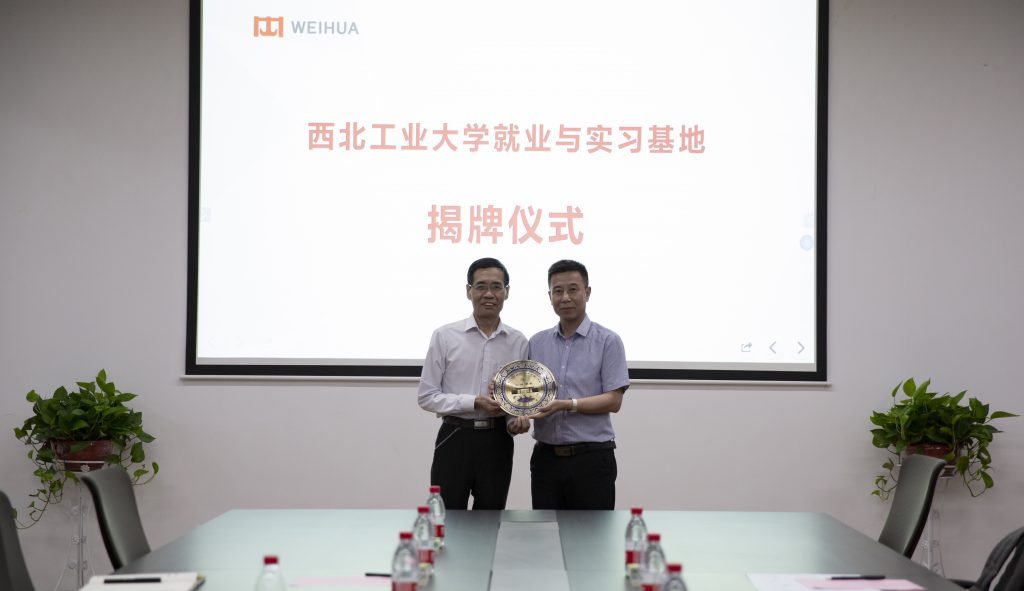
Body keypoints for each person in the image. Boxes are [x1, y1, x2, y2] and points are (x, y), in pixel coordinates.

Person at [417, 257, 529, 510]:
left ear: (507, 292)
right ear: (469, 291)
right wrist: (474, 402)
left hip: (498, 440)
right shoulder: (445, 336)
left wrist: (515, 421)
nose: (489, 294)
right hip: (455, 436)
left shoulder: (519, 342)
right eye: (481, 286)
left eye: (496, 287)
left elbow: (516, 399)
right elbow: (427, 396)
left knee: (491, 517)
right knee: (447, 517)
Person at [520, 259, 629, 510]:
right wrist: (517, 415)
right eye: (558, 291)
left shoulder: (608, 341)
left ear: (587, 293)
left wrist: (566, 405)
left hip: (592, 459)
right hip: (546, 459)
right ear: (549, 296)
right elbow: (527, 395)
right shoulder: (536, 343)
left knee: (593, 533)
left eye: (573, 289)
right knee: (547, 530)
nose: (565, 297)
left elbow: (614, 400)